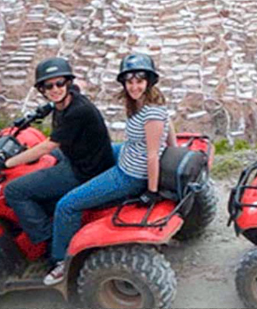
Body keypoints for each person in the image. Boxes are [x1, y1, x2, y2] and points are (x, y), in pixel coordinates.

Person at [44, 53, 177, 285]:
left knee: (67, 205)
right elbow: (169, 124)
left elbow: (153, 154)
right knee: (96, 149)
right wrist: (174, 148)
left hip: (131, 174)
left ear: (149, 82)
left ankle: (61, 261)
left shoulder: (152, 112)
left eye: (139, 81)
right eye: (129, 81)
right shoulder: (143, 104)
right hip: (129, 152)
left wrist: (152, 191)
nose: (134, 86)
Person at [2, 58, 115, 255]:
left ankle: (46, 239)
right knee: (43, 161)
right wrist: (41, 112)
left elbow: (47, 146)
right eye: (48, 85)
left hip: (84, 171)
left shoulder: (77, 112)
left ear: (68, 83)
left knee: (14, 190)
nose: (55, 89)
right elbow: (56, 107)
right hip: (84, 157)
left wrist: (7, 162)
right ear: (42, 90)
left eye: (60, 83)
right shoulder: (67, 100)